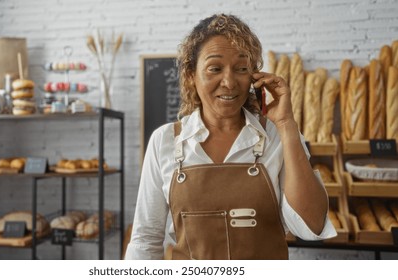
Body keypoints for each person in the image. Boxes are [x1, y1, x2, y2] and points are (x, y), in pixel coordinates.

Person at [125, 13, 336, 260]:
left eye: (241, 69)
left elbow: (312, 226)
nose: (229, 82)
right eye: (215, 68)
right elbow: (146, 240)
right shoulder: (164, 141)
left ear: (254, 77)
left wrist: (287, 124)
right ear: (191, 75)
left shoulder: (277, 136)